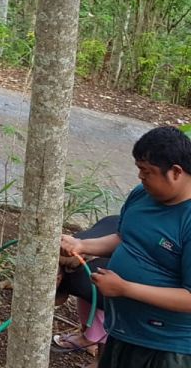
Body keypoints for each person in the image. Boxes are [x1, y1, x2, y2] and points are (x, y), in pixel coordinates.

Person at [60, 126, 191, 368]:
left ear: (175, 172)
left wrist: (125, 289)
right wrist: (82, 244)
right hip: (122, 331)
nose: (140, 177)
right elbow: (125, 237)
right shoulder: (142, 195)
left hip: (166, 348)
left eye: (146, 171)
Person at [53, 215, 117, 363]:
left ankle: (100, 357)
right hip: (110, 225)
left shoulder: (88, 281)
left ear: (58, 279)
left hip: (112, 276)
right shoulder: (68, 250)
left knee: (100, 307)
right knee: (87, 299)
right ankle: (87, 337)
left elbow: (109, 314)